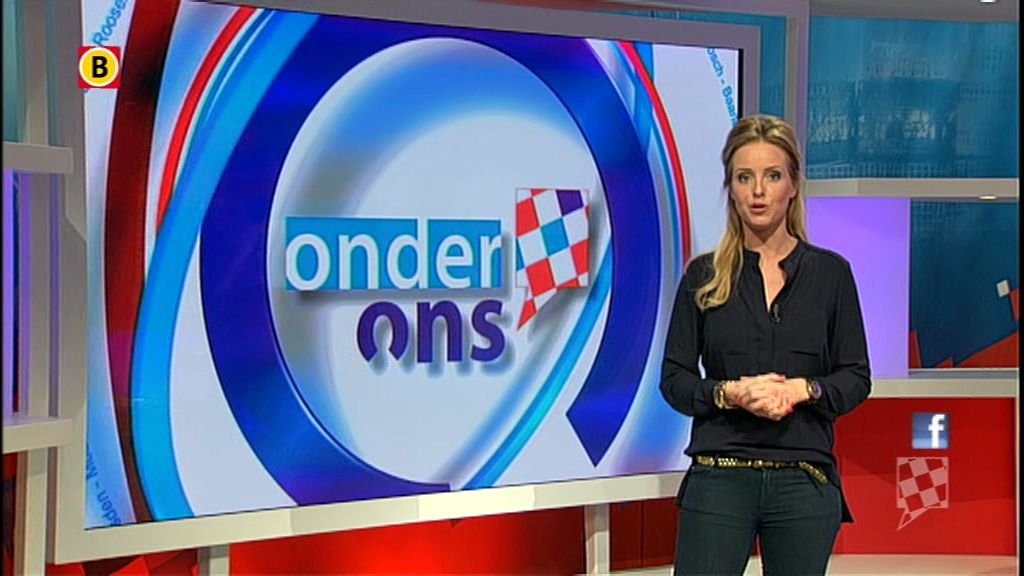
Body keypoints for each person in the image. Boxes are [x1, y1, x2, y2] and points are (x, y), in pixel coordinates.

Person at [660, 114, 871, 575]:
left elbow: (856, 378)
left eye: (772, 176)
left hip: (803, 477)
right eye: (744, 177)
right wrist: (729, 393)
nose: (758, 191)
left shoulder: (831, 274)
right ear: (731, 189)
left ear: (793, 185)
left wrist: (803, 389)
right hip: (720, 474)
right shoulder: (703, 276)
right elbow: (674, 380)